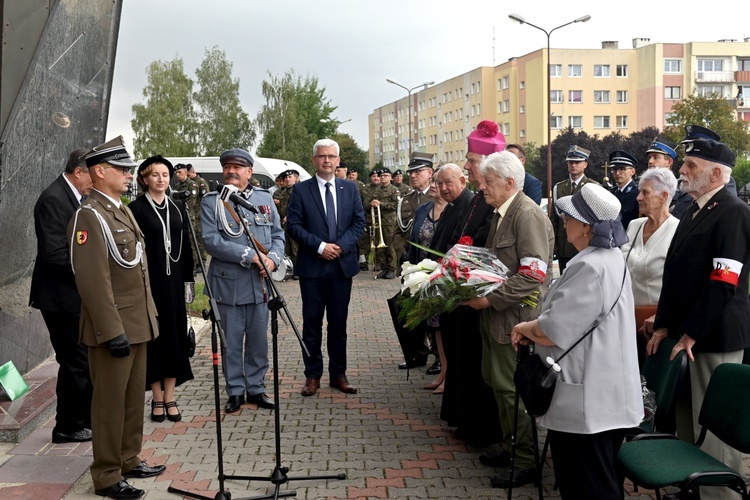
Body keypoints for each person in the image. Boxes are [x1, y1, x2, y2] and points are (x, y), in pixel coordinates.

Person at [511, 183, 643, 499]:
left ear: (585, 226)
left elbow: (553, 329)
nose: (564, 222)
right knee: (601, 481)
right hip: (602, 396)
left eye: (569, 216)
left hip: (588, 404)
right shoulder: (610, 257)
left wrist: (525, 327)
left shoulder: (589, 265)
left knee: (588, 487)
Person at [650, 125, 750, 500]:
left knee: (715, 432)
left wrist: (691, 332)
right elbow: (676, 275)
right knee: (687, 420)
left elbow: (722, 283)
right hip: (689, 334)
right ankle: (695, 487)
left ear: (717, 174)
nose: (682, 171)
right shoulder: (692, 209)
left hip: (714, 335)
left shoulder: (733, 213)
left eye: (691, 165)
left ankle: (721, 495)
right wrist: (663, 325)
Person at [67, 136, 165, 499]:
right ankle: (107, 474)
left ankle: (128, 457)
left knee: (131, 399)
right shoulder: (88, 216)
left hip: (137, 323)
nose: (128, 174)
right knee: (108, 403)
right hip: (113, 328)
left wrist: (150, 318)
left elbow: (137, 270)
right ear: (100, 171)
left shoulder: (119, 208)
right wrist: (111, 330)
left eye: (128, 169)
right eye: (122, 169)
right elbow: (93, 281)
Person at [464, 151, 554, 488]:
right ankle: (511, 446)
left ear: (510, 183)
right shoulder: (502, 212)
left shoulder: (526, 214)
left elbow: (533, 275)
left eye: (488, 182)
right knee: (498, 386)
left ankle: (527, 461)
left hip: (513, 319)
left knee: (511, 391)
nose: (482, 186)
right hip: (497, 318)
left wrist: (488, 299)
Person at [200, 148, 284, 413]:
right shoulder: (212, 201)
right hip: (229, 284)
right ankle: (235, 391)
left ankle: (256, 389)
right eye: (227, 167)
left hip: (260, 285)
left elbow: (278, 234)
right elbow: (212, 240)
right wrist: (250, 255)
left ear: (249, 172)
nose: (231, 171)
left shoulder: (263, 199)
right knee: (232, 342)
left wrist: (273, 259)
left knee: (259, 341)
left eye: (237, 167)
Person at [286, 138, 366, 397]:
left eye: (332, 156)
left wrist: (340, 246)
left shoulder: (349, 189)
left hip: (341, 267)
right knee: (312, 324)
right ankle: (312, 376)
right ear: (314, 160)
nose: (327, 160)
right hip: (312, 267)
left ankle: (338, 375)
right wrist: (320, 247)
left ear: (338, 160)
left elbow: (359, 223)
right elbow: (294, 227)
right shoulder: (300, 190)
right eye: (322, 156)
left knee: (339, 324)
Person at [431, 163, 500, 447]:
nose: (444, 188)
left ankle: (472, 424)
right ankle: (459, 417)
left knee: (470, 361)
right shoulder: (459, 205)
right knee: (458, 356)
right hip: (455, 292)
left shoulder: (478, 203)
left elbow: (475, 242)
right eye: (441, 183)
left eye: (450, 182)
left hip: (473, 293)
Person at [29, 148, 94, 444]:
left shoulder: (78, 198)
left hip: (74, 295)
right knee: (74, 361)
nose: (96, 180)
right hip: (59, 298)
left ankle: (84, 420)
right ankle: (67, 426)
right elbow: (54, 254)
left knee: (82, 360)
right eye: (93, 173)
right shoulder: (54, 199)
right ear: (78, 171)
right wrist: (94, 269)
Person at [129, 156, 195, 423]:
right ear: (145, 179)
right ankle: (156, 397)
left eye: (165, 174)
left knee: (174, 338)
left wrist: (189, 282)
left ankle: (170, 396)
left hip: (175, 284)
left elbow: (187, 246)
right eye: (155, 175)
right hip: (150, 285)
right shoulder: (136, 209)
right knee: (154, 341)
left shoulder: (178, 207)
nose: (161, 179)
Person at [620, 168, 679, 366]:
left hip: (657, 326)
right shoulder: (634, 225)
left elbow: (683, 283)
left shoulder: (678, 231)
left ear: (664, 196)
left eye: (645, 192)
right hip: (627, 319)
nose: (638, 197)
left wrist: (662, 318)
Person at [406, 173, 447, 387]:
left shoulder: (453, 210)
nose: (433, 186)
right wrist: (410, 270)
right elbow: (414, 239)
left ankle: (443, 363)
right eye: (433, 182)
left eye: (438, 183)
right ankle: (437, 360)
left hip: (445, 276)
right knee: (431, 321)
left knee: (443, 323)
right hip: (423, 274)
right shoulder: (423, 209)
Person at [549, 145, 599, 272]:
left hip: (583, 245)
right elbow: (553, 220)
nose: (573, 165)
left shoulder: (592, 187)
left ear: (585, 165)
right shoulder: (558, 188)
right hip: (563, 246)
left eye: (577, 162)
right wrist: (553, 246)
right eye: (571, 162)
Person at [393, 153, 434, 267]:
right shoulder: (405, 200)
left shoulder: (438, 199)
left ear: (430, 173)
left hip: (430, 261)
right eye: (411, 172)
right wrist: (402, 253)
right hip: (408, 263)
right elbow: (397, 232)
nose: (412, 175)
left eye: (418, 171)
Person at [373, 168, 400, 279]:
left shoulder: (394, 190)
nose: (383, 177)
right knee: (380, 247)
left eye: (385, 175)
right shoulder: (377, 190)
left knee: (390, 246)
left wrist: (381, 204)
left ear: (390, 177)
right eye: (381, 175)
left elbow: (396, 205)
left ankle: (392, 269)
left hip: (390, 222)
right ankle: (384, 267)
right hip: (379, 222)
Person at [608, 150, 640, 230]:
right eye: (614, 169)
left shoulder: (637, 194)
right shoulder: (612, 192)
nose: (617, 173)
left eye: (622, 169)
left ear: (632, 171)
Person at [358, 169, 381, 271]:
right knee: (364, 242)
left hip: (381, 220)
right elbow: (360, 203)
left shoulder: (384, 188)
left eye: (378, 176)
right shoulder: (365, 188)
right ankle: (364, 263)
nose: (376, 178)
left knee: (378, 243)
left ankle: (379, 263)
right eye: (373, 176)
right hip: (367, 218)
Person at [187, 163, 209, 268]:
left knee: (199, 239)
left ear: (192, 172)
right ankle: (196, 262)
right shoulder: (189, 183)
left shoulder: (200, 182)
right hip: (192, 215)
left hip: (199, 214)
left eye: (188, 174)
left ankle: (202, 263)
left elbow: (206, 198)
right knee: (193, 238)